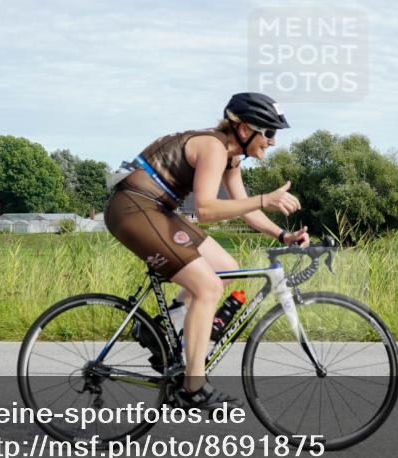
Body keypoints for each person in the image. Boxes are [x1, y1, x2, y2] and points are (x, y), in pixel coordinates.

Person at [104, 92, 310, 411]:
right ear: (244, 130)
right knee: (209, 287)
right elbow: (206, 210)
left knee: (225, 268)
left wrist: (283, 235)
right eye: (268, 133)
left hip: (156, 210)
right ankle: (193, 387)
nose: (272, 142)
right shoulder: (213, 147)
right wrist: (264, 198)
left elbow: (245, 210)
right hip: (133, 208)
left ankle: (161, 329)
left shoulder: (230, 157)